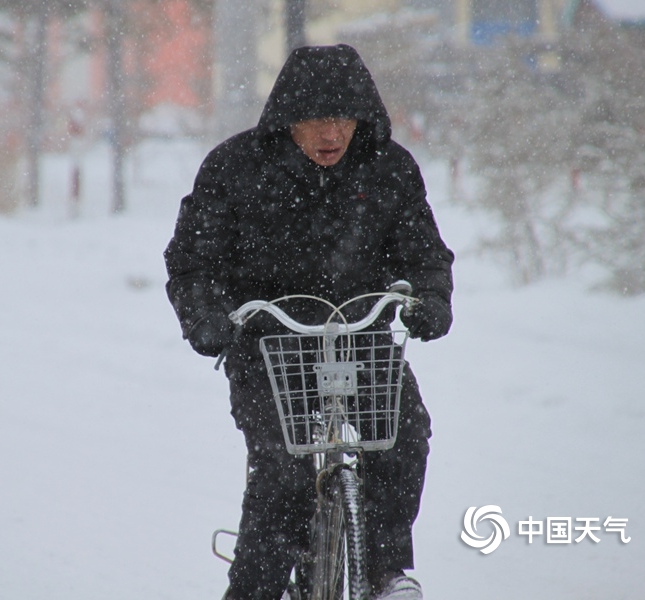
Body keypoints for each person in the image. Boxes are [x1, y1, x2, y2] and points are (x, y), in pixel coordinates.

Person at [164, 44, 453, 600]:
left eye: (343, 119)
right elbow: (192, 259)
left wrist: (432, 300)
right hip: (268, 347)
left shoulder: (388, 169)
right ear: (286, 120)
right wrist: (206, 318)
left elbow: (425, 255)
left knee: (404, 433)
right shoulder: (234, 169)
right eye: (317, 119)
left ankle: (382, 571)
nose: (332, 134)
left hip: (361, 339)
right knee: (285, 472)